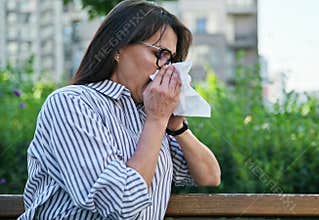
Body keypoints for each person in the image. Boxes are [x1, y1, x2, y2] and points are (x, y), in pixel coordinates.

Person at [18, 0, 221, 219]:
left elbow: (209, 176)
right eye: (159, 54)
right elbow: (119, 204)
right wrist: (157, 120)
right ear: (118, 48)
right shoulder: (71, 104)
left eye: (170, 59)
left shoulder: (148, 114)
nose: (166, 69)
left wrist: (177, 127)